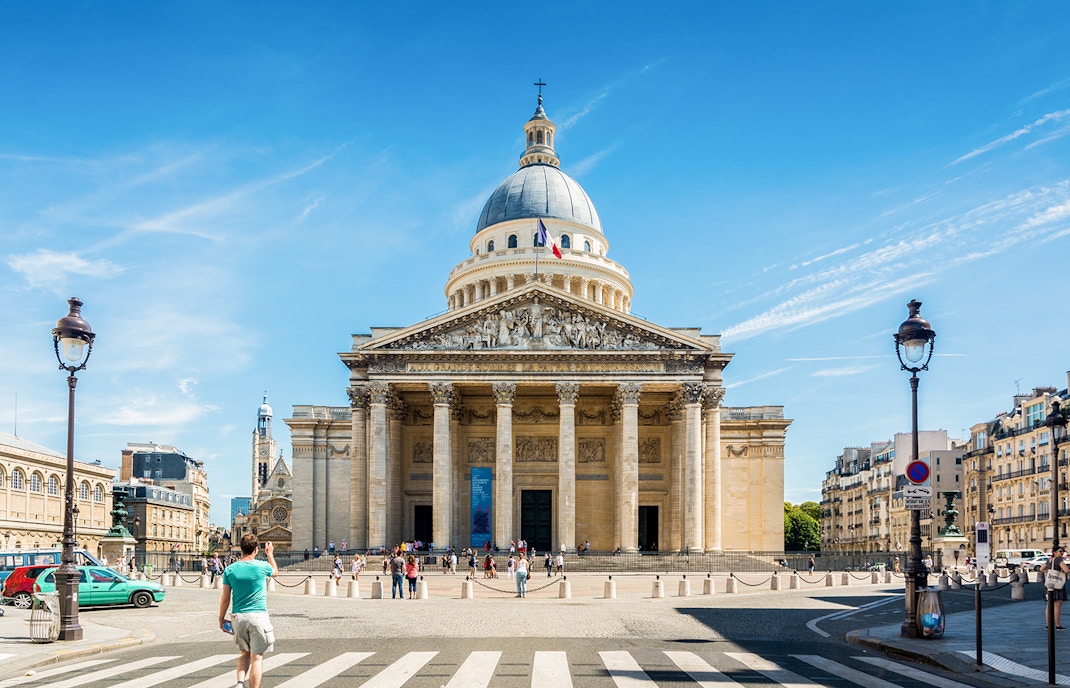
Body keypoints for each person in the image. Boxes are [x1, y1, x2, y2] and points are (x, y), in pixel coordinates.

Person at [218, 535, 278, 688]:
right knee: (257, 657)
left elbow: (225, 598)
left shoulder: (230, 569)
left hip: (238, 617)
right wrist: (270, 553)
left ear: (241, 549)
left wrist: (221, 618)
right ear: (256, 550)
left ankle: (239, 682)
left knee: (245, 653)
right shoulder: (261, 566)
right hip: (258, 616)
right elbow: (275, 571)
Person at [1044, 546, 1070, 630]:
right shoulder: (1059, 560)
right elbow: (1066, 570)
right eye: (1060, 551)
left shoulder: (1049, 560)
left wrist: (1049, 571)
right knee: (1057, 605)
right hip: (1057, 585)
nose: (1061, 553)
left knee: (1049, 605)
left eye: (1062, 551)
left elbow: (1041, 568)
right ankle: (1058, 625)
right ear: (1054, 552)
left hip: (1049, 585)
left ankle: (1048, 625)